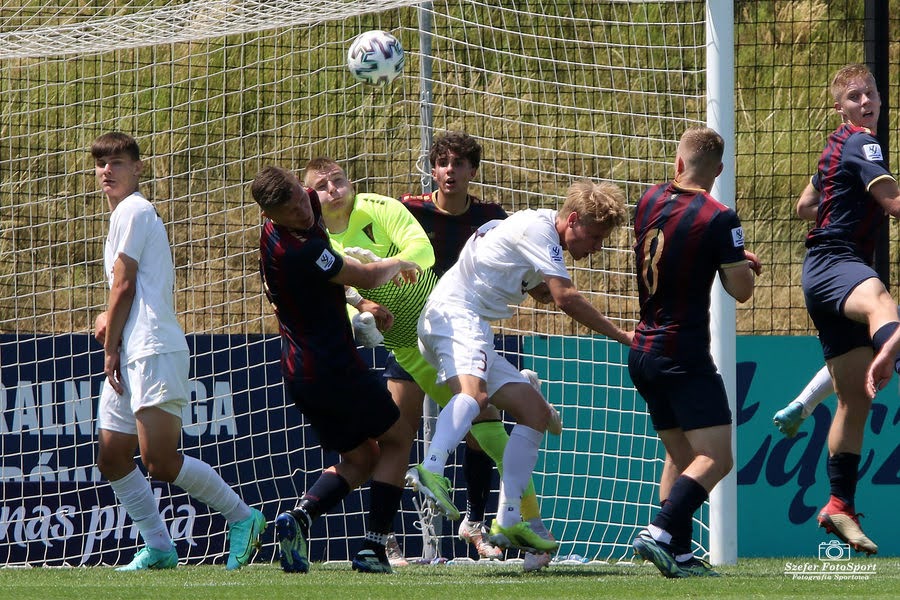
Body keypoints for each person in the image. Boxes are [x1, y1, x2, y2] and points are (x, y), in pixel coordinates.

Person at [304, 146, 556, 570]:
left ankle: (523, 525)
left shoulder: (383, 207)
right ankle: (383, 541)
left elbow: (421, 253)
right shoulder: (317, 241)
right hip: (405, 345)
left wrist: (378, 269)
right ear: (310, 197)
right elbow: (326, 297)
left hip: (445, 320)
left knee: (487, 426)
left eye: (338, 179)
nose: (333, 189)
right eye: (322, 186)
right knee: (396, 439)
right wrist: (359, 309)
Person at [408, 178, 630, 555]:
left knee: (534, 411)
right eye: (594, 237)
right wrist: (625, 336)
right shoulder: (538, 229)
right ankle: (430, 468)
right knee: (474, 395)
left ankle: (509, 518)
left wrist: (536, 284)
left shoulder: (535, 232)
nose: (596, 248)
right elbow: (565, 297)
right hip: (456, 315)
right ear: (572, 219)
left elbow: (530, 280)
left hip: (458, 320)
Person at [91, 132, 265, 571]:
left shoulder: (134, 208)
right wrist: (107, 321)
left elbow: (126, 284)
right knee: (112, 455)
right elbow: (127, 286)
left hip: (150, 348)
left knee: (160, 461)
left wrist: (110, 344)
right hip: (130, 348)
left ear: (138, 168)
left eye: (117, 162)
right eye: (100, 163)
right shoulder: (122, 216)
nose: (107, 170)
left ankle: (244, 517)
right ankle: (160, 548)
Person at [250, 166, 421, 574]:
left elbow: (333, 279)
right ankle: (374, 549)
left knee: (361, 457)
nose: (302, 210)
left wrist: (361, 305)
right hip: (331, 366)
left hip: (301, 372)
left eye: (297, 195)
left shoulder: (305, 204)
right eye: (289, 210)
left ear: (298, 183)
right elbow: (362, 272)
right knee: (398, 438)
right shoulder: (295, 251)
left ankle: (300, 517)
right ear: (270, 217)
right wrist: (398, 261)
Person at [628, 126, 759, 578]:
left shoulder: (646, 200)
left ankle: (679, 554)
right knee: (717, 457)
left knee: (681, 455)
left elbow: (677, 251)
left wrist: (728, 256)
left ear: (679, 163)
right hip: (682, 351)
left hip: (642, 350)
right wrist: (742, 263)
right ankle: (661, 530)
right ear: (719, 171)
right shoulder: (721, 217)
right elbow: (740, 290)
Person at [792, 63, 900, 557]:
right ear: (840, 106)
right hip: (839, 264)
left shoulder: (836, 144)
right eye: (854, 96)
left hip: (819, 272)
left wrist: (842, 201)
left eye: (871, 93)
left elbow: (805, 204)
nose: (865, 102)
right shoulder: (864, 142)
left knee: (855, 400)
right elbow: (892, 200)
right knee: (881, 300)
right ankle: (891, 344)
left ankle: (839, 504)